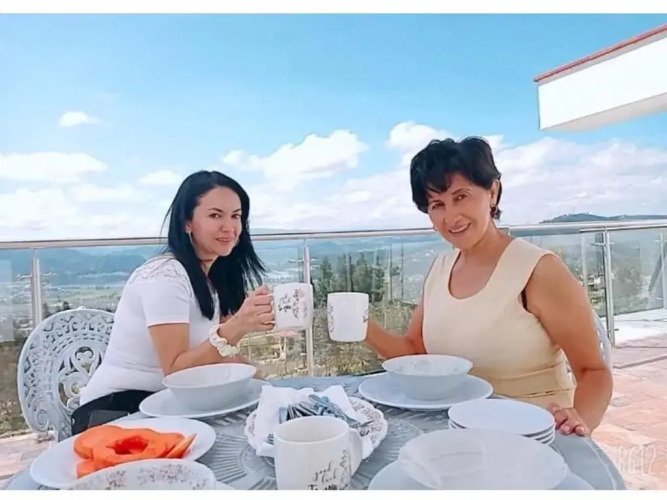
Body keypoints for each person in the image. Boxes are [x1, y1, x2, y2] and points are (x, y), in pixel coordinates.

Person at [365, 137, 612, 436]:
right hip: (459, 434)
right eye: (437, 205)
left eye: (461, 196)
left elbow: (593, 372)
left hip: (534, 436)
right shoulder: (440, 269)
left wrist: (579, 419)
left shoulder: (539, 270)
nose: (451, 216)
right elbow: (417, 354)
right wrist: (360, 324)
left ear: (492, 192)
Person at [73, 171, 274, 434]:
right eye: (215, 215)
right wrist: (237, 326)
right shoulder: (165, 275)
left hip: (169, 405)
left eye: (236, 216)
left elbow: (221, 355)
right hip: (116, 411)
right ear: (187, 222)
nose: (229, 227)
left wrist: (268, 389)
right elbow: (176, 372)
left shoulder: (210, 279)